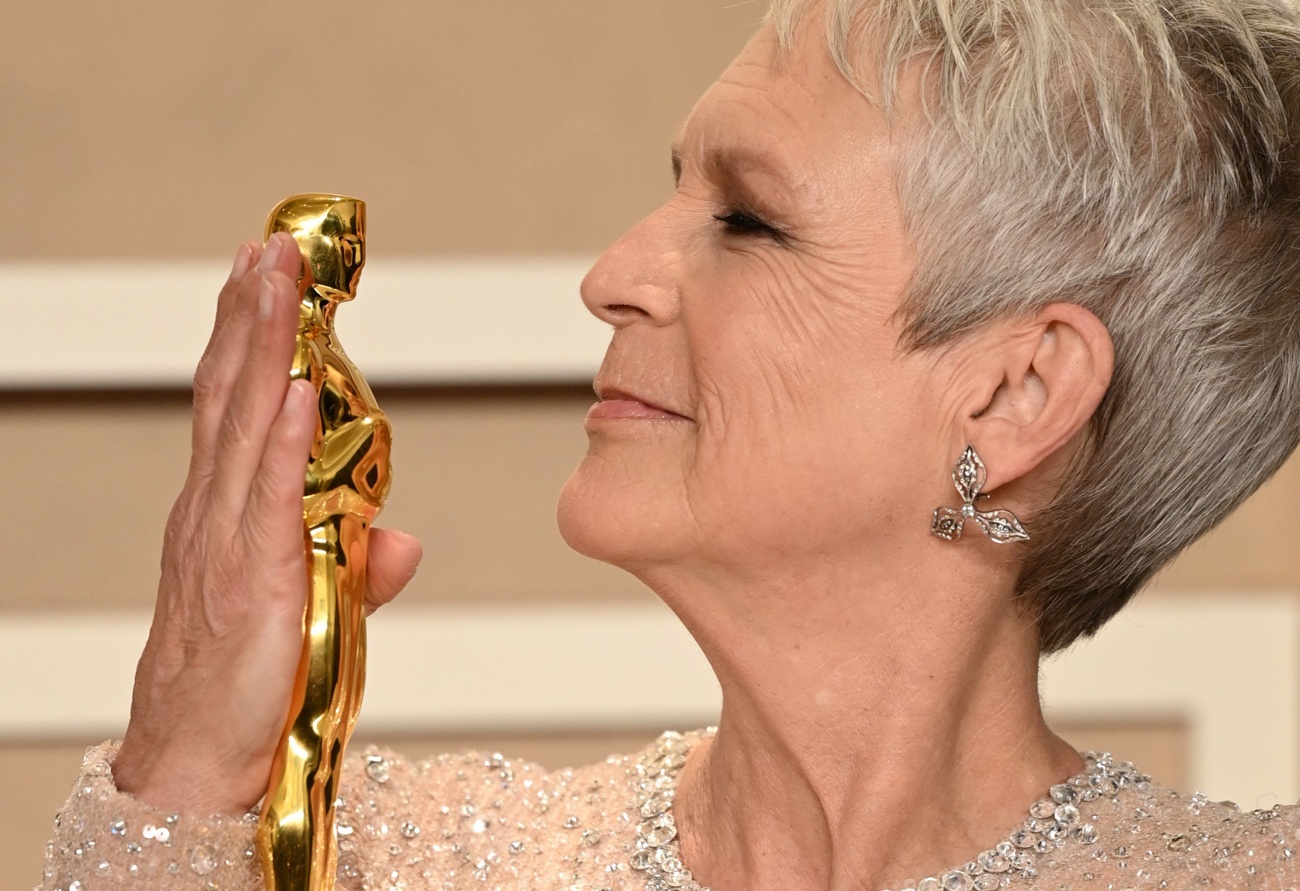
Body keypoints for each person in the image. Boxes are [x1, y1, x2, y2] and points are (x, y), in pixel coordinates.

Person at [38, 0, 1300, 888]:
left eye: (747, 220)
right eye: (674, 190)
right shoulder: (398, 863)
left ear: (1015, 392)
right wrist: (183, 754)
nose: (614, 274)